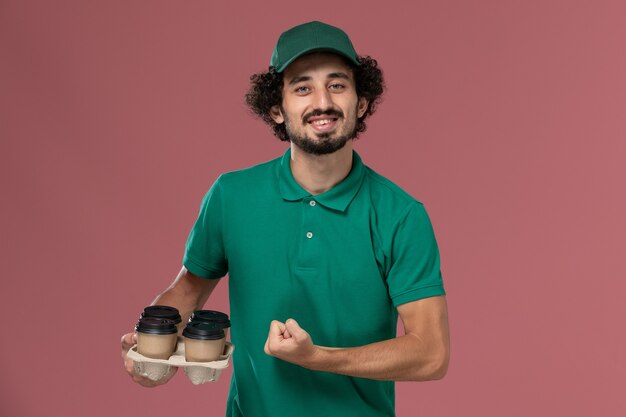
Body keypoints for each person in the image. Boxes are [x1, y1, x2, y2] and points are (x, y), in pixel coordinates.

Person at [121, 20, 450, 417]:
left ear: (360, 103)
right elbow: (189, 288)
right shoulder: (231, 195)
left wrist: (318, 358)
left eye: (337, 84)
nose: (322, 102)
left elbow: (431, 354)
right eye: (302, 87)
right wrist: (151, 352)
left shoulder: (401, 215)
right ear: (276, 109)